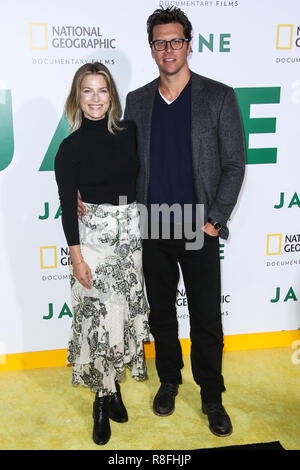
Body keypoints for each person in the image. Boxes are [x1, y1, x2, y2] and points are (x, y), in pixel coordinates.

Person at [78, 7, 246, 437]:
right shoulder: (136, 101)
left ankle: (211, 395)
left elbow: (234, 165)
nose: (168, 49)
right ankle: (169, 379)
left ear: (189, 44)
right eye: (160, 42)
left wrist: (214, 220)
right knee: (163, 315)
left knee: (207, 317)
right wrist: (83, 190)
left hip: (197, 226)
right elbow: (119, 161)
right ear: (151, 48)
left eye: (175, 41)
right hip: (150, 226)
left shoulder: (219, 96)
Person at [54, 62, 150, 446]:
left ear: (112, 95)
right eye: (88, 91)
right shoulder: (69, 148)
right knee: (97, 322)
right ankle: (101, 398)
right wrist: (77, 259)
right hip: (92, 244)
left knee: (121, 316)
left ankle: (114, 389)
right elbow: (66, 208)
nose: (96, 99)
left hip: (129, 239)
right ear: (77, 97)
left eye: (102, 90)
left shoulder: (130, 132)